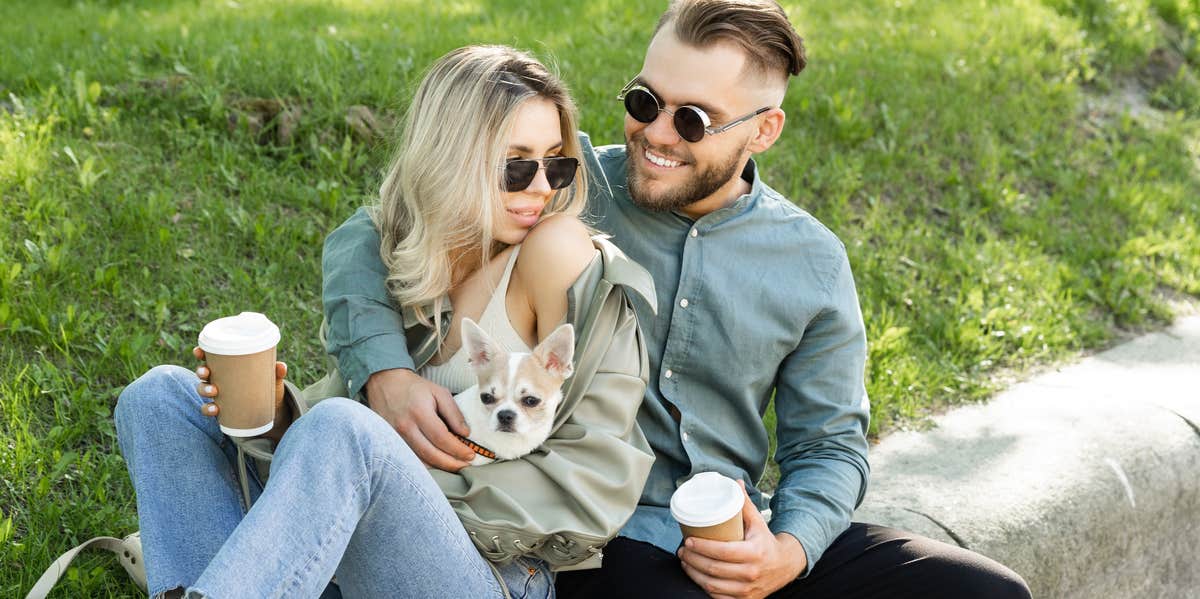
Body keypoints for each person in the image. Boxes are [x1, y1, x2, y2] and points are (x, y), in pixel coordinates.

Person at [320, 2, 1034, 598]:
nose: (655, 133)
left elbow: (830, 444)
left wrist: (786, 550)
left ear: (763, 129)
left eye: (692, 119)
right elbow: (370, 232)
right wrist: (385, 370)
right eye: (643, 102)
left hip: (735, 530)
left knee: (988, 592)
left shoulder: (811, 261)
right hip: (605, 540)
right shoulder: (564, 188)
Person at [115, 45, 654, 599]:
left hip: (488, 567)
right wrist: (279, 418)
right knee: (159, 398)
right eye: (516, 166)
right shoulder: (403, 253)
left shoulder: (554, 250)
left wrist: (397, 473)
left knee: (345, 429)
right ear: (449, 159)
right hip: (359, 541)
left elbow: (597, 473)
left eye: (557, 163)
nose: (543, 188)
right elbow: (343, 442)